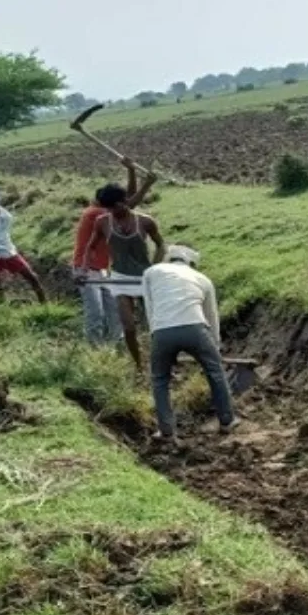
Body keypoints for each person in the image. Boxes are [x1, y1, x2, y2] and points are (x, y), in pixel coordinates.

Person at [142, 245, 237, 440]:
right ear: (191, 263)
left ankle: (166, 431)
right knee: (215, 371)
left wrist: (156, 334)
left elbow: (149, 306)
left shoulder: (152, 272)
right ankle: (227, 420)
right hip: (196, 330)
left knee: (160, 380)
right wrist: (215, 345)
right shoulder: (203, 279)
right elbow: (212, 316)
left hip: (162, 331)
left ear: (169, 258)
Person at [72, 158, 156, 347]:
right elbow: (129, 204)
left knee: (112, 312)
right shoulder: (97, 215)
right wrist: (145, 182)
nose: (115, 209)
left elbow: (127, 202)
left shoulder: (109, 209)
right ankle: (95, 348)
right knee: (96, 312)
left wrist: (132, 171)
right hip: (86, 268)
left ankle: (114, 346)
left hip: (102, 268)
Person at [85, 183, 165, 371]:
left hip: (144, 277)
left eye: (115, 207)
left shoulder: (146, 222)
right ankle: (138, 365)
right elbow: (91, 247)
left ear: (125, 202)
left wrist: (154, 268)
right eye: (108, 208)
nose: (112, 211)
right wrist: (84, 270)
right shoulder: (103, 222)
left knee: (155, 326)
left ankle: (160, 363)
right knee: (129, 327)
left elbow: (161, 245)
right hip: (120, 278)